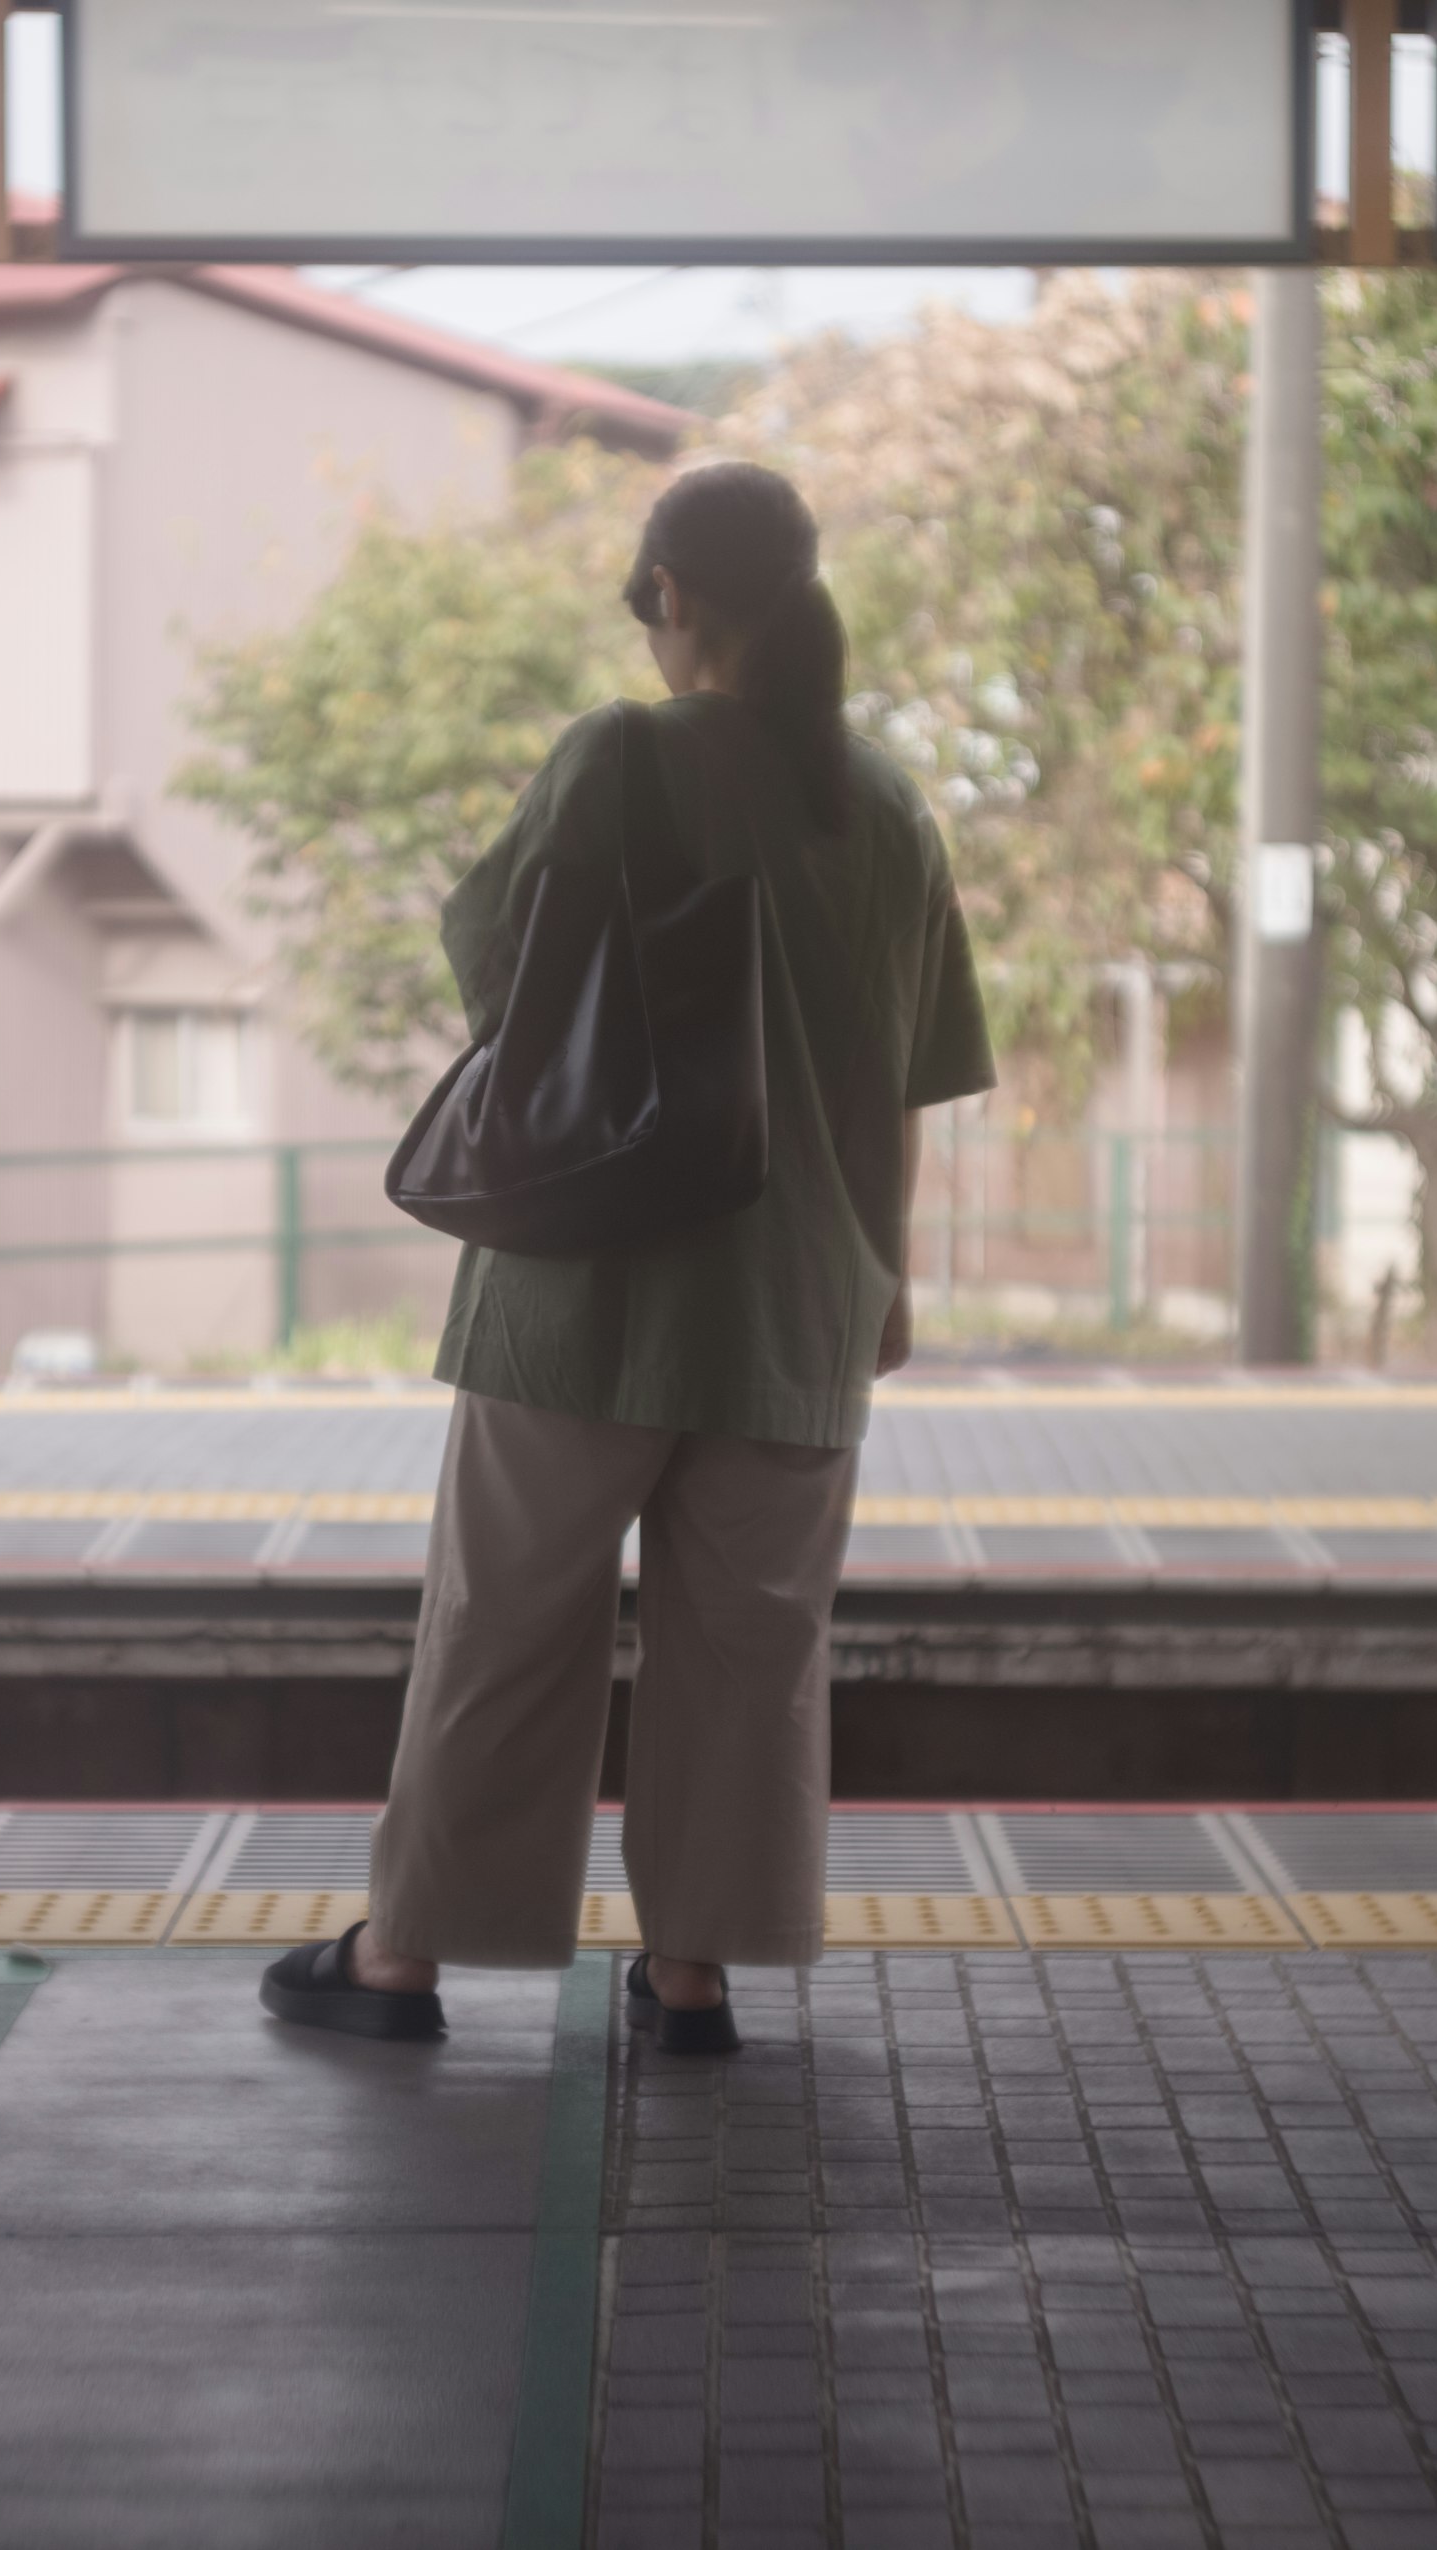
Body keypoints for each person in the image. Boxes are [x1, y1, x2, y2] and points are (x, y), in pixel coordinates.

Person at [264, 461, 994, 2055]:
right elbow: (909, 1075)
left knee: (509, 1628)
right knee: (748, 1660)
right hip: (800, 1302)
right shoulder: (886, 809)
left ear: (672, 593)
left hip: (585, 1289)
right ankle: (694, 1973)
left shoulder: (616, 756)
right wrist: (889, 1277)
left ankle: (406, 1957)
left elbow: (498, 975)